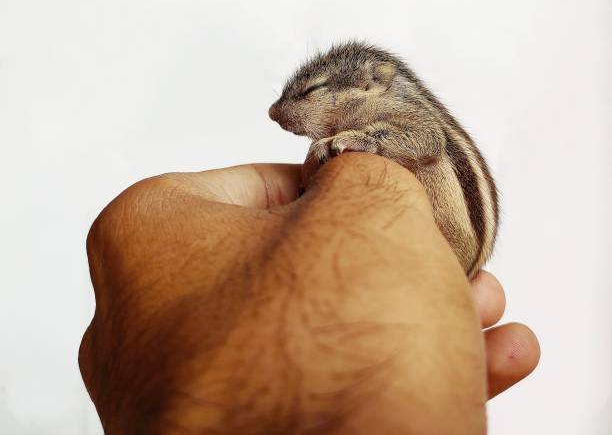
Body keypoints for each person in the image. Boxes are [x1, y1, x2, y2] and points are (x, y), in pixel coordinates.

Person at [79, 153, 539, 434]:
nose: (283, 113)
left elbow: (424, 146)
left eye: (312, 94)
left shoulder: (400, 125)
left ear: (368, 85)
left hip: (454, 237)